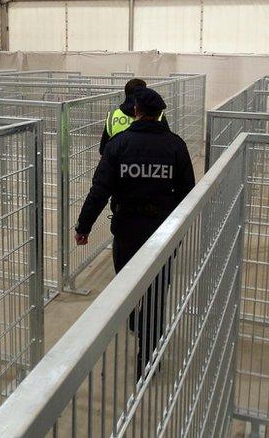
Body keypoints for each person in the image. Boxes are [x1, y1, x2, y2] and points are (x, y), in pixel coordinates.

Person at [75, 87, 195, 378]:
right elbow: (187, 193)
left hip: (127, 228)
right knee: (156, 291)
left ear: (136, 111)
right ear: (160, 113)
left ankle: (133, 319)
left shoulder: (119, 145)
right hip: (163, 232)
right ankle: (149, 355)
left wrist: (84, 226)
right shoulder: (176, 146)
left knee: (127, 282)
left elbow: (99, 191)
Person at [100, 78, 168, 154]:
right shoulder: (158, 115)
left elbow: (103, 149)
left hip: (121, 162)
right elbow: (168, 143)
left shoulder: (113, 116)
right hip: (151, 161)